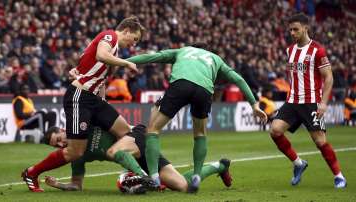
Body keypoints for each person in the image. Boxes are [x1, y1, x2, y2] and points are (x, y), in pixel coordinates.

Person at [21, 16, 146, 192]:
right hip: (79, 97)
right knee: (75, 152)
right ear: (126, 31)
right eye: (135, 39)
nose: (134, 44)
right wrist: (126, 63)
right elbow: (100, 55)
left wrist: (101, 100)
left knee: (126, 132)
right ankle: (32, 172)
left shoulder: (114, 48)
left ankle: (138, 176)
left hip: (93, 99)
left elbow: (94, 72)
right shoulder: (110, 36)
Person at [126, 43, 268, 192]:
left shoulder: (183, 51)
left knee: (153, 130)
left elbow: (152, 57)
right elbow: (238, 79)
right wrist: (254, 105)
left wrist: (123, 60)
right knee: (200, 134)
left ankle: (154, 178)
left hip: (181, 84)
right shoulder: (216, 58)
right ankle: (197, 176)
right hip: (204, 90)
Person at [269, 13, 346, 188]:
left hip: (311, 101)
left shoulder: (318, 50)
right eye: (290, 30)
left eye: (295, 29)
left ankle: (339, 176)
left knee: (320, 141)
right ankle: (298, 164)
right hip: (292, 101)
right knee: (275, 130)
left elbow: (329, 78)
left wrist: (324, 102)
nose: (292, 33)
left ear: (306, 28)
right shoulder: (290, 50)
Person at [41, 124, 232, 193]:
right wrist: (59, 184)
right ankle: (219, 166)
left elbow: (100, 101)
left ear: (63, 129)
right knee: (183, 186)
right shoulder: (76, 155)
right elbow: (77, 185)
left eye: (58, 139)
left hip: (137, 137)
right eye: (55, 145)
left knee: (113, 152)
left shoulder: (84, 124)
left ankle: (142, 177)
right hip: (133, 156)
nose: (59, 145)